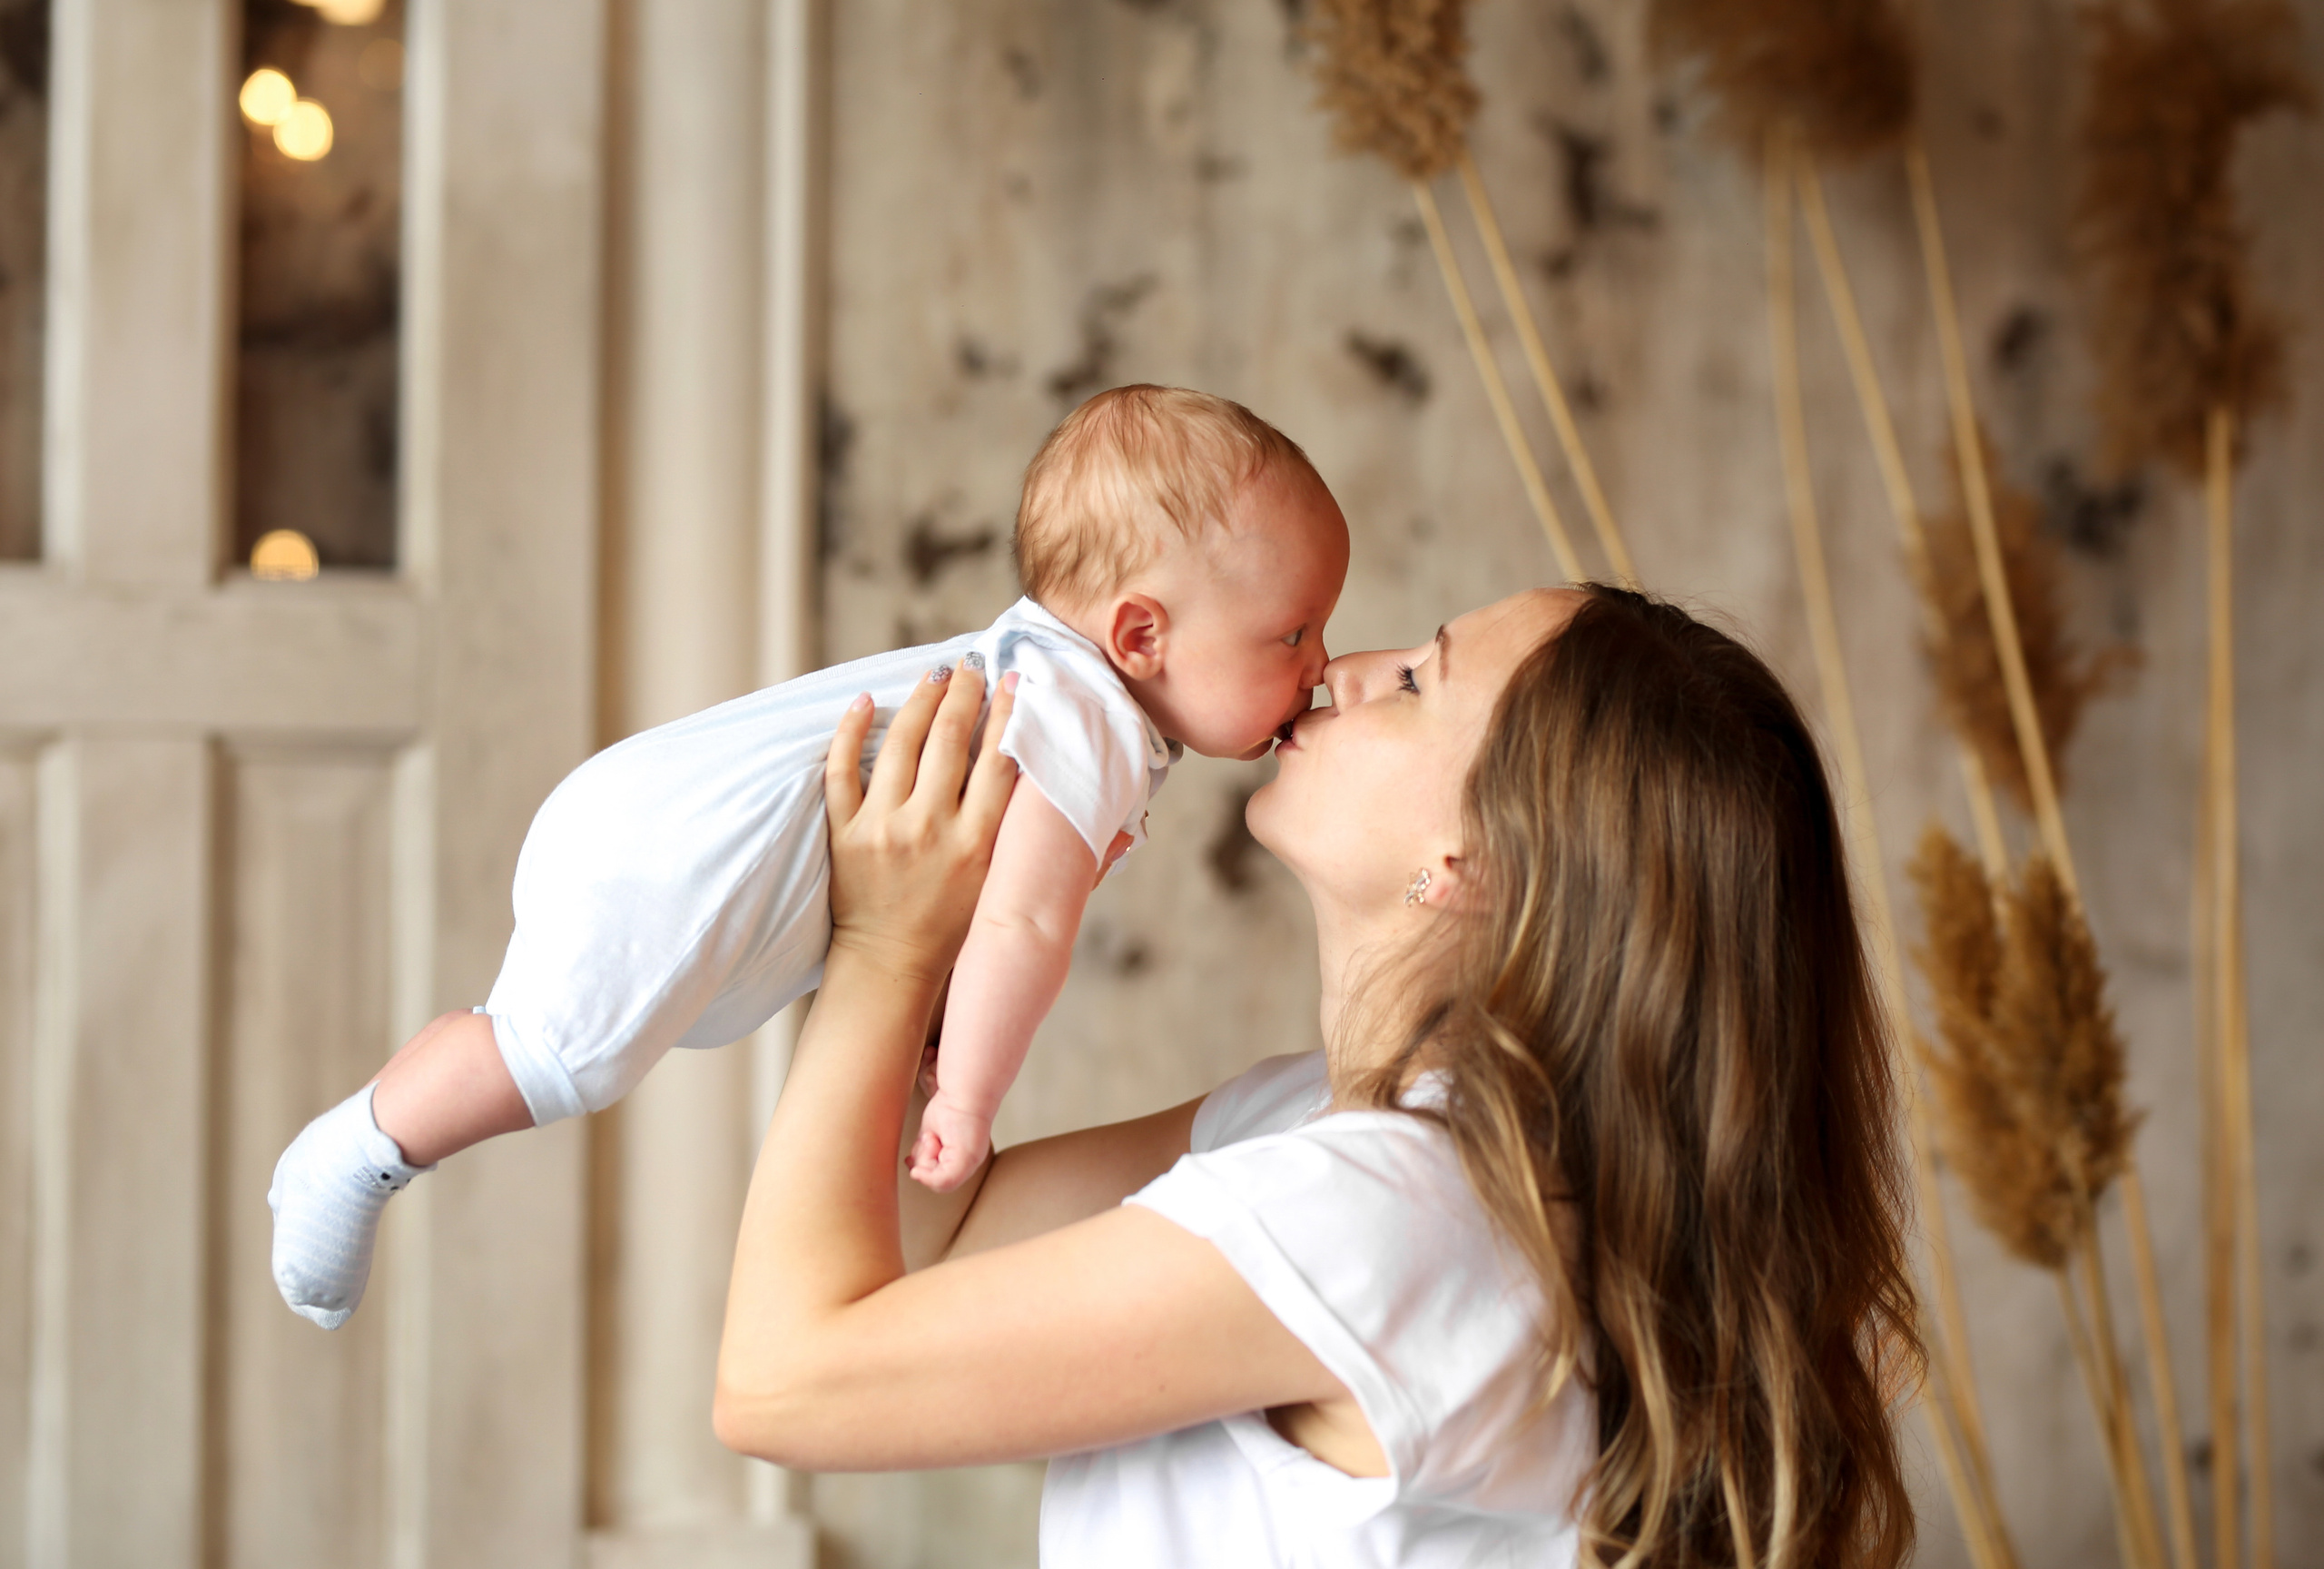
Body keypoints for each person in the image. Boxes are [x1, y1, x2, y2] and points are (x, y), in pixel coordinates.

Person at [714, 584, 1922, 1568]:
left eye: (1415, 681)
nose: (1340, 669)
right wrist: (975, 930)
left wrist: (885, 946)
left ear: (1474, 860)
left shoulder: (1399, 1209)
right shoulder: (1323, 1131)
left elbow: (780, 1384)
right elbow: (920, 1244)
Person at [267, 385, 1350, 1330]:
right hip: (684, 855)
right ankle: (357, 1148)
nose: (1320, 664)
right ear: (1141, 635)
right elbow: (1022, 923)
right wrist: (964, 1094)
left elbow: (964, 913)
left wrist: (927, 1023)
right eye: (1292, 633)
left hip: (652, 812)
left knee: (553, 1043)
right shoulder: (1089, 719)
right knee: (559, 1057)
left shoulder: (1052, 680)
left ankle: (403, 1104)